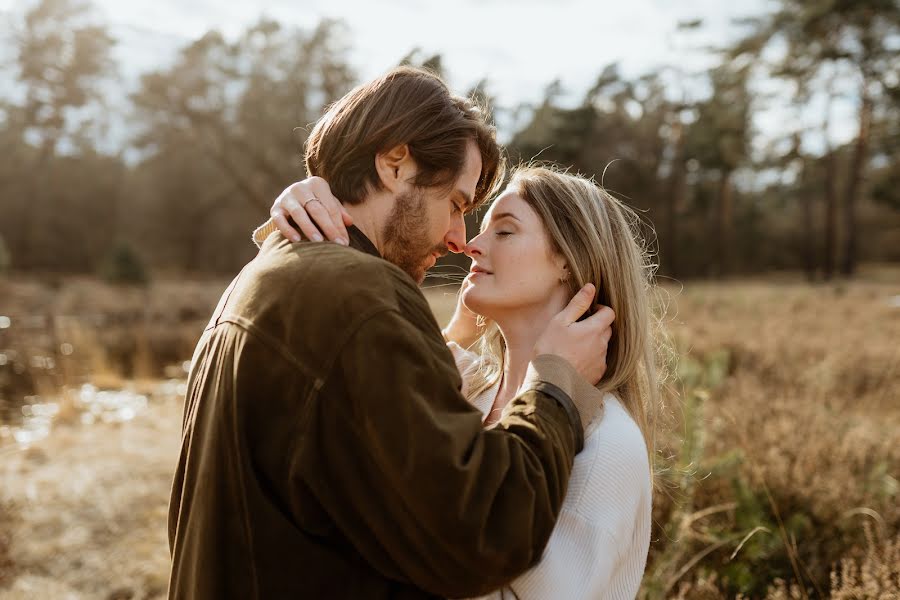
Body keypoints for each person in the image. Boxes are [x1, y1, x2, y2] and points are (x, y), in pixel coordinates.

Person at [168, 66, 615, 600]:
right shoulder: (361, 297)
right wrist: (558, 388)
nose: (459, 239)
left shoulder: (264, 274)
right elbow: (482, 533)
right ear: (395, 164)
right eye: (455, 204)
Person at [269, 164, 662, 599]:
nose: (471, 245)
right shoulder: (473, 390)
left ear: (569, 260)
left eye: (505, 232)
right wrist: (309, 202)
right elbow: (388, 384)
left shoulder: (607, 445)